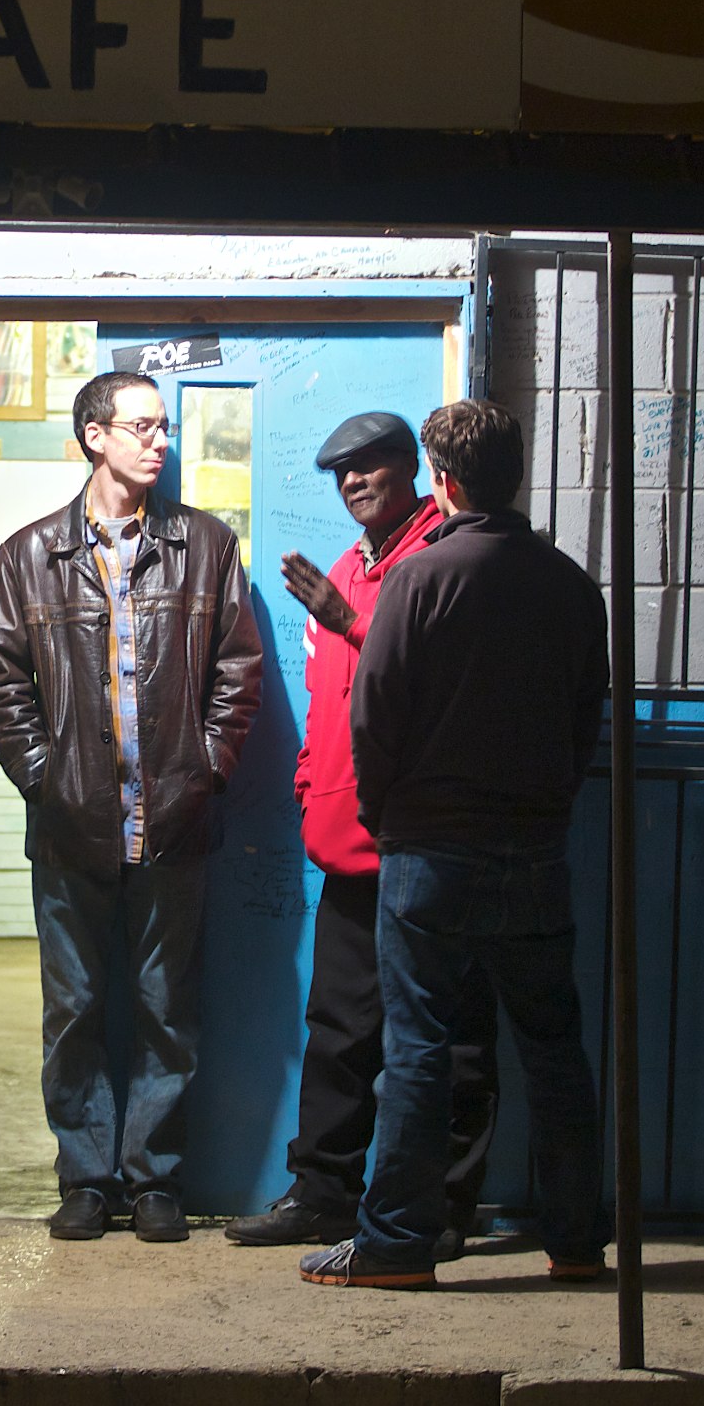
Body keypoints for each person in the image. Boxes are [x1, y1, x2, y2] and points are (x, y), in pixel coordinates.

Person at [301, 398, 612, 1291]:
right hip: (536, 852)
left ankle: (396, 1246)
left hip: (431, 851)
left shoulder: (421, 579)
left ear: (443, 480)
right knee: (555, 1048)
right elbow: (585, 718)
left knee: (419, 1046)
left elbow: (375, 714)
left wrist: (390, 814)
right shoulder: (568, 584)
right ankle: (577, 1242)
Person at [0, 369, 265, 1243]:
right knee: (73, 1012)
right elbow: (3, 687)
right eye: (140, 427)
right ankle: (86, 1178)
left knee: (166, 1009)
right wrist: (47, 780)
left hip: (175, 823)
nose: (159, 441)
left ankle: (154, 1179)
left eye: (165, 428)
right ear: (93, 436)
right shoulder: (29, 556)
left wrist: (206, 770)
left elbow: (237, 673)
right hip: (70, 832)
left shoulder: (207, 546)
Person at [226, 410, 500, 1253]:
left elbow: (448, 686)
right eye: (340, 472)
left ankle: (447, 1206)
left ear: (410, 468)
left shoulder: (443, 557)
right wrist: (314, 791)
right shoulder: (348, 568)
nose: (352, 482)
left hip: (428, 845)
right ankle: (323, 1194)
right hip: (349, 845)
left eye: (370, 466)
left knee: (450, 1033)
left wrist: (349, 618)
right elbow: (329, 707)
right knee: (341, 1032)